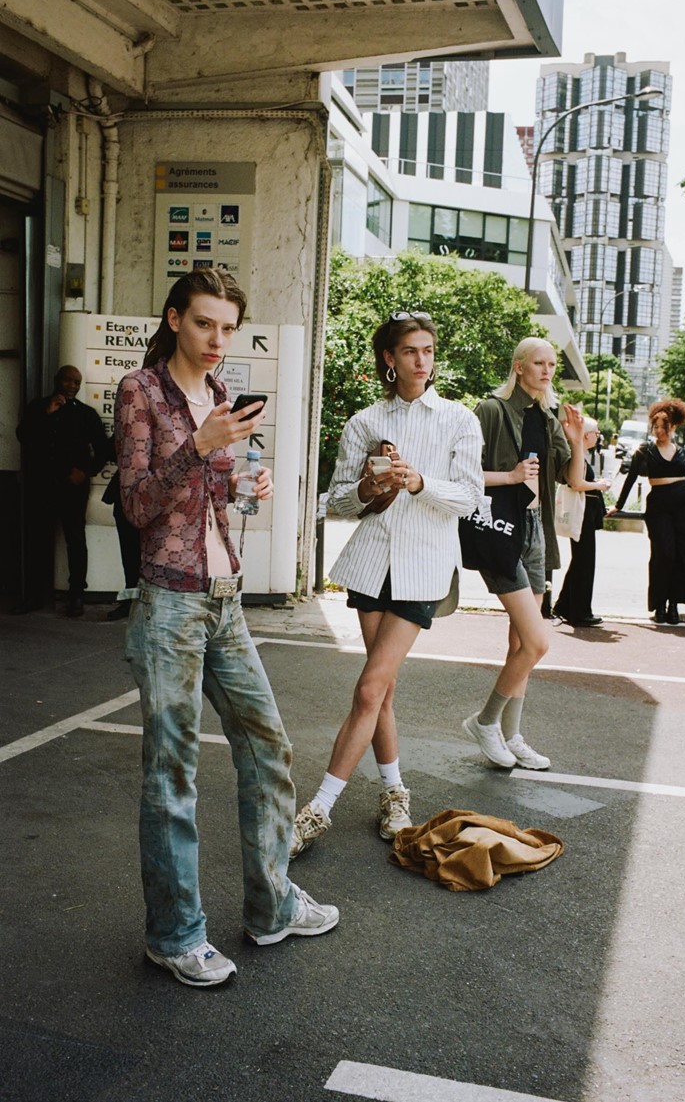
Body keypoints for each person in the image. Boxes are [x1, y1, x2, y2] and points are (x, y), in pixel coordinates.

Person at [115, 267, 338, 988]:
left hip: (225, 596)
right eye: (205, 322)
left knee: (268, 743)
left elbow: (210, 498)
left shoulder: (219, 396)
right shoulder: (141, 392)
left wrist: (245, 485)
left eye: (228, 326)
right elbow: (137, 505)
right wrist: (198, 443)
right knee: (172, 771)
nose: (217, 338)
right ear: (175, 317)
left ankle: (271, 904)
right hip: (170, 604)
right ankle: (174, 934)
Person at [289, 311, 484, 858]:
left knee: (371, 687)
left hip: (423, 569)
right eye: (410, 351)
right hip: (373, 565)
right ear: (389, 358)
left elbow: (469, 498)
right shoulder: (364, 422)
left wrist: (419, 481)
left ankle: (318, 808)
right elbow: (336, 503)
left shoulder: (458, 419)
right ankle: (395, 794)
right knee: (384, 689)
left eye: (428, 349)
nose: (422, 360)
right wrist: (370, 486)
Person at [464, 338, 585, 771]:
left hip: (536, 529)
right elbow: (460, 475)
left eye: (552, 363)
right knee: (537, 641)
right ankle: (486, 721)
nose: (548, 370)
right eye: (539, 362)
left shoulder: (546, 414)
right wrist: (511, 476)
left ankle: (511, 736)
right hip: (500, 532)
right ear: (519, 366)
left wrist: (576, 441)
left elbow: (573, 478)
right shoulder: (491, 410)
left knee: (521, 642)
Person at [13, 365, 109, 617]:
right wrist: (46, 413)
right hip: (40, 485)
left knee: (75, 539)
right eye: (67, 381)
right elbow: (23, 435)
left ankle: (76, 595)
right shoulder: (38, 407)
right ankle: (34, 596)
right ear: (57, 381)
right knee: (37, 540)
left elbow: (103, 449)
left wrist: (85, 470)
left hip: (72, 488)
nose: (71, 386)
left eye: (76, 382)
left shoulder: (86, 414)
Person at [607, 399, 685, 625]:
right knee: (663, 554)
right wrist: (618, 505)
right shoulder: (645, 451)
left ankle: (673, 605)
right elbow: (630, 479)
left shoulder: (680, 451)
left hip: (684, 506)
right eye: (656, 426)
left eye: (664, 426)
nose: (659, 431)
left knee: (681, 556)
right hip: (659, 506)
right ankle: (659, 604)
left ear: (674, 427)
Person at [554, 416, 611, 627]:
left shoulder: (580, 455)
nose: (598, 436)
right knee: (584, 562)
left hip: (584, 514)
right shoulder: (578, 455)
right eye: (596, 433)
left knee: (581, 561)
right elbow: (577, 484)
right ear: (587, 435)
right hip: (582, 516)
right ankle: (579, 611)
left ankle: (565, 605)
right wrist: (599, 485)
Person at [102, 437, 141, 620]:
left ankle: (142, 603)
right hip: (126, 492)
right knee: (129, 553)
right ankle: (131, 601)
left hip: (157, 497)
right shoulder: (130, 422)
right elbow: (108, 451)